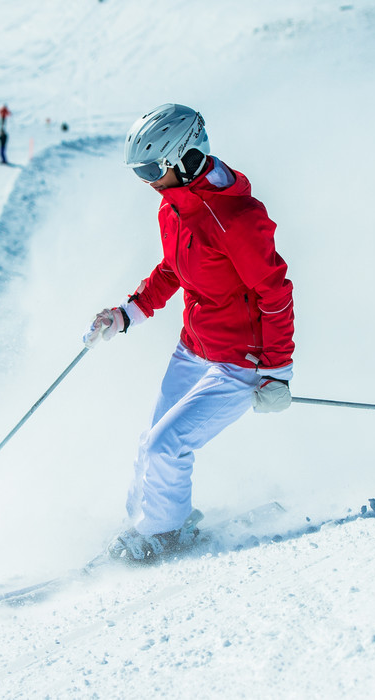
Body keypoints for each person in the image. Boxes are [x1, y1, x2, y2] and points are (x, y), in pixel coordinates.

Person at [82, 104, 295, 562]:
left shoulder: (237, 219)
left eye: (148, 169)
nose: (143, 180)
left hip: (243, 361)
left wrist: (277, 372)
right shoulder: (173, 205)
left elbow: (275, 293)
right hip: (195, 347)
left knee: (167, 447)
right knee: (150, 442)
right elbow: (174, 268)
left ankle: (165, 535)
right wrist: (126, 313)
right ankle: (140, 528)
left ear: (183, 160)